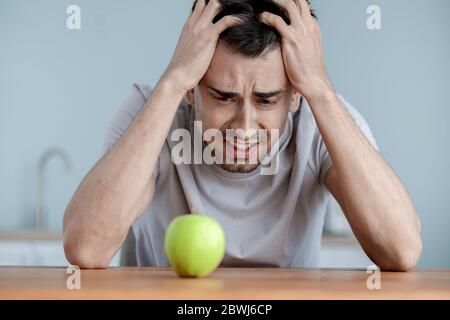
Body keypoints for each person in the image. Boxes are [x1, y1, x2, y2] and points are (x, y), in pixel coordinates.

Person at [63, 0, 422, 270]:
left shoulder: (320, 115)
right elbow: (86, 249)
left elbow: (401, 250)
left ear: (295, 94)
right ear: (193, 88)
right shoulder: (153, 108)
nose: (244, 126)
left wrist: (321, 89)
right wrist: (172, 81)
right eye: (223, 97)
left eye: (267, 100)